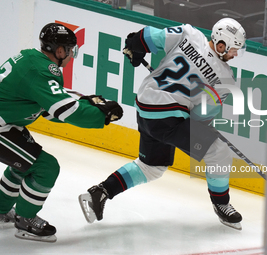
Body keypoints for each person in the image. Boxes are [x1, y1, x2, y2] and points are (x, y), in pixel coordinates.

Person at [79, 18, 246, 230]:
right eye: (234, 50)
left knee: (152, 167)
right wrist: (198, 128)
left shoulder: (189, 33)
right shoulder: (226, 80)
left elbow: (145, 36)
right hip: (167, 116)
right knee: (218, 152)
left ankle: (101, 192)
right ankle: (222, 205)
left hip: (146, 106)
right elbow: (200, 118)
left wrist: (135, 47)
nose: (235, 55)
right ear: (221, 45)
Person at [0, 23, 123, 242]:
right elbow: (65, 111)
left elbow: (48, 107)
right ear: (59, 51)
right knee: (45, 167)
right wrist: (100, 115)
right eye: (70, 50)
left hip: (8, 125)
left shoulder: (31, 58)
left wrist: (83, 102)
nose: (70, 56)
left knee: (25, 164)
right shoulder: (43, 70)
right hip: (3, 128)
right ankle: (25, 220)